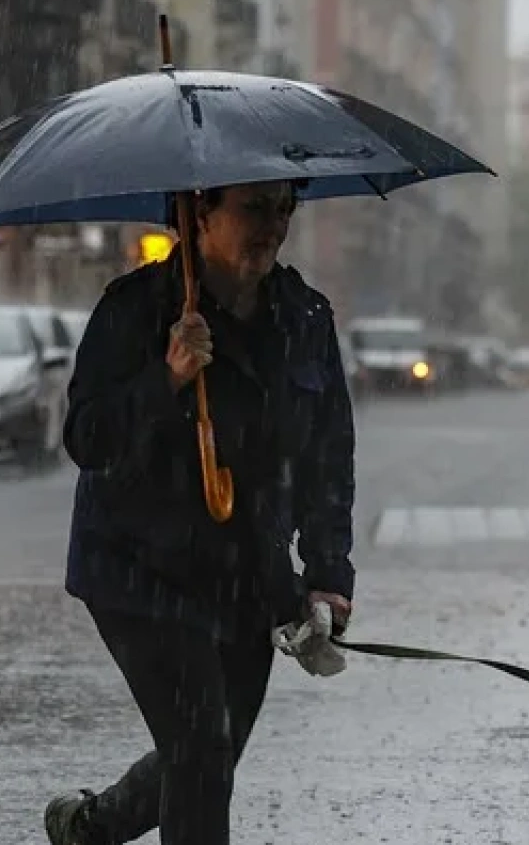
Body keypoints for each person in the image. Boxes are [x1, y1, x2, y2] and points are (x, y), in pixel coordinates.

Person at [44, 180, 356, 845]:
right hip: (137, 569)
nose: (272, 227)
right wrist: (167, 379)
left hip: (248, 573)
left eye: (284, 209)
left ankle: (92, 828)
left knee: (208, 756)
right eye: (253, 208)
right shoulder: (135, 309)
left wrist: (328, 571)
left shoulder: (305, 317)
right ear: (197, 213)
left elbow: (329, 451)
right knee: (202, 746)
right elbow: (87, 440)